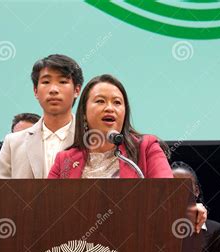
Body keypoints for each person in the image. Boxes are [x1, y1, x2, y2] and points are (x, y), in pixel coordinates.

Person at [48, 74, 207, 231]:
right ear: (83, 112)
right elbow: (46, 210)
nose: (109, 108)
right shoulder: (65, 160)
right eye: (100, 101)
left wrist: (189, 208)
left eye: (117, 102)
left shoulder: (146, 147)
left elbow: (167, 196)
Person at [0, 54, 83, 178]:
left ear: (77, 90)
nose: (53, 90)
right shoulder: (13, 143)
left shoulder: (90, 139)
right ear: (35, 91)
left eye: (62, 81)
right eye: (46, 82)